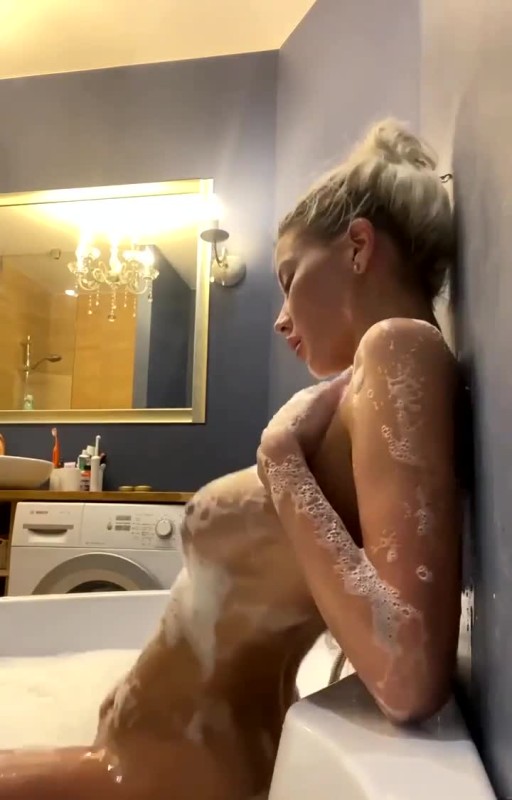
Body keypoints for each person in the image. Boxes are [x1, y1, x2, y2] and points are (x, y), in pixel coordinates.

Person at [0, 118, 461, 799]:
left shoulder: (399, 350)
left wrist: (281, 462)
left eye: (289, 277)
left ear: (359, 246)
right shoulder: (361, 390)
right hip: (173, 752)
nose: (280, 317)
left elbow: (409, 676)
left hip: (175, 763)